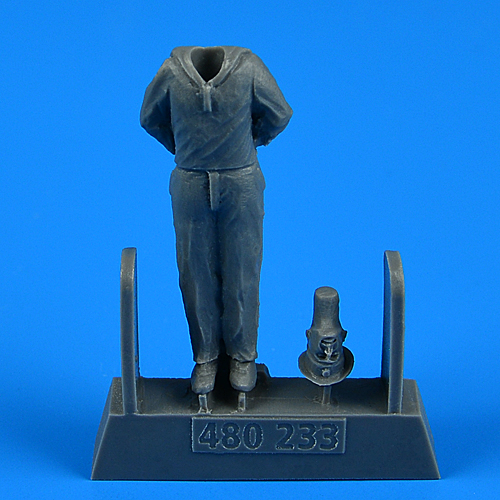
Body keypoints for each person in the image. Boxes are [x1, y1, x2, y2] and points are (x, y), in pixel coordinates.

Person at [140, 46, 292, 395]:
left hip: (240, 182)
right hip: (191, 182)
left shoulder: (248, 68)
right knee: (195, 273)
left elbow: (280, 113)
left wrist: (251, 140)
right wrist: (181, 147)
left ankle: (243, 356)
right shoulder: (171, 73)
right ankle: (205, 357)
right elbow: (149, 117)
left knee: (243, 270)